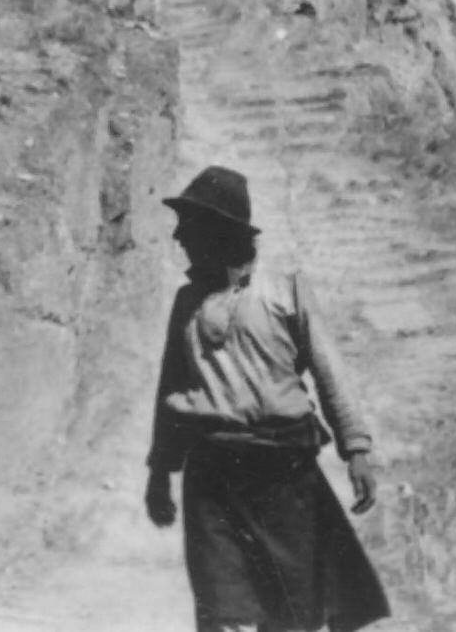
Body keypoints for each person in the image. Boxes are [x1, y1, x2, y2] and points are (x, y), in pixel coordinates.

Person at [145, 166, 391, 632]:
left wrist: (356, 449)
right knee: (222, 610)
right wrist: (161, 470)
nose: (179, 238)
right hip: (212, 472)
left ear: (223, 233)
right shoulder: (186, 302)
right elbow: (170, 387)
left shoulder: (285, 291)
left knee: (290, 613)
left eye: (190, 226)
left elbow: (328, 370)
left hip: (285, 473)